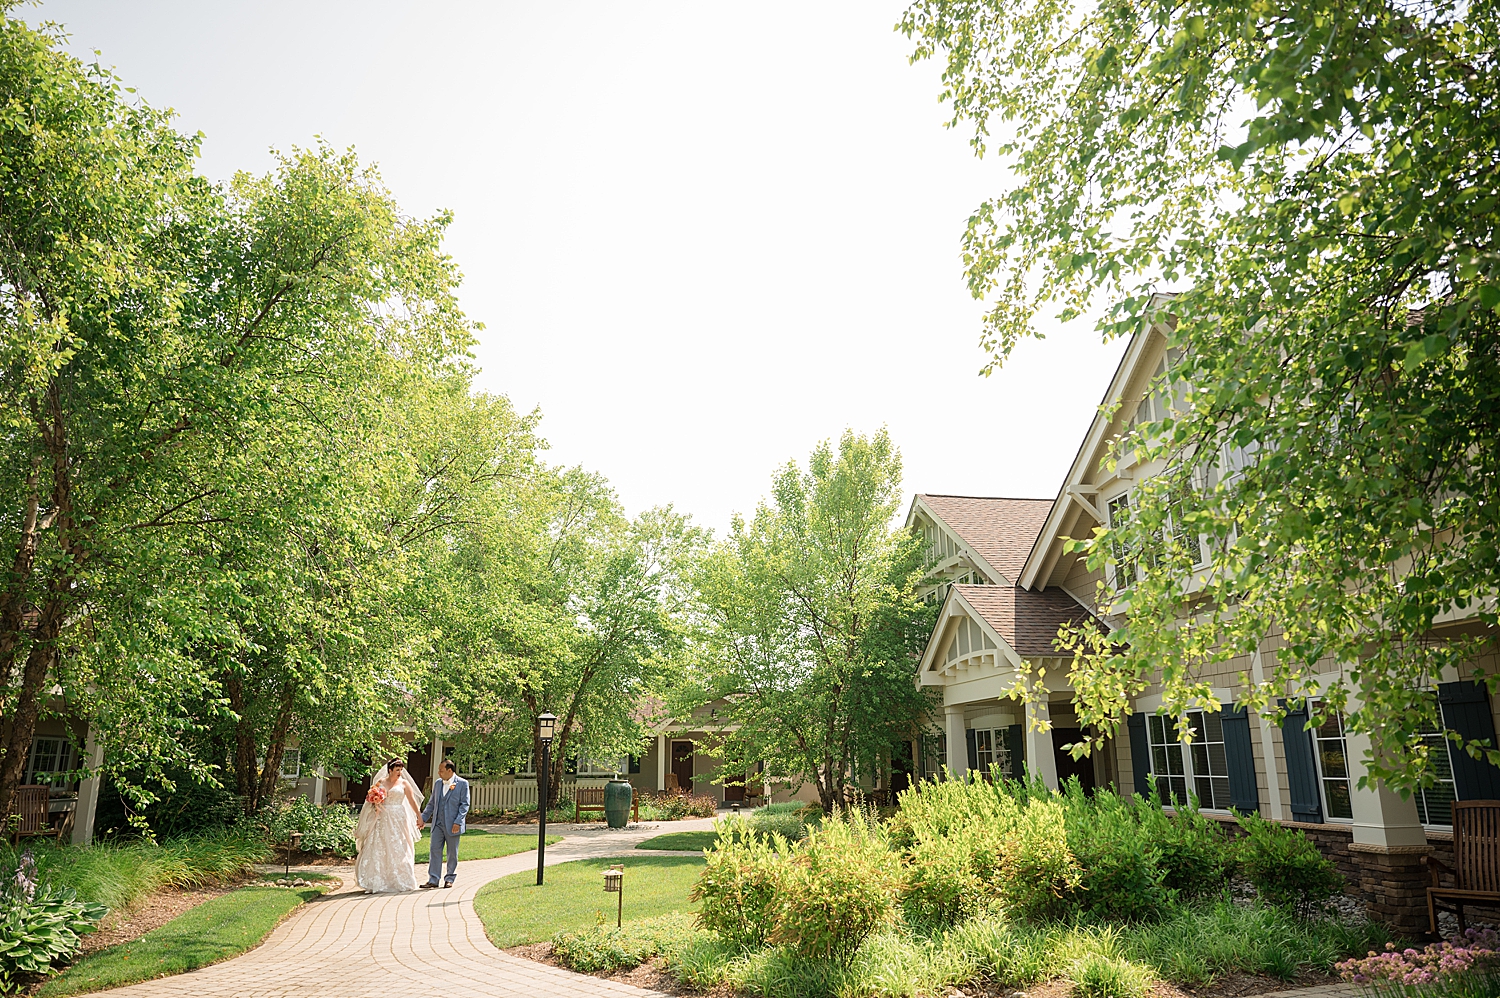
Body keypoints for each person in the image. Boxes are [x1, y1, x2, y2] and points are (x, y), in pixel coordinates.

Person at [352, 758, 422, 893]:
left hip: (398, 819)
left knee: (398, 846)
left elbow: (412, 801)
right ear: (390, 770)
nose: (400, 773)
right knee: (379, 846)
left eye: (401, 770)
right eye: (397, 770)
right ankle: (377, 881)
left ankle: (399, 880)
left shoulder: (404, 784)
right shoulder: (380, 783)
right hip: (382, 818)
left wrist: (419, 816)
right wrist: (375, 801)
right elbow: (370, 801)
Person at [420, 758, 470, 888]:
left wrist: (458, 822)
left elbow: (464, 805)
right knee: (434, 850)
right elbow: (431, 804)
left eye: (441, 770)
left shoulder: (462, 784)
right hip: (438, 824)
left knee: (452, 852)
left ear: (449, 770)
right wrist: (422, 818)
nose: (439, 773)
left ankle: (450, 878)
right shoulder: (438, 784)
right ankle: (433, 879)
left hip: (453, 824)